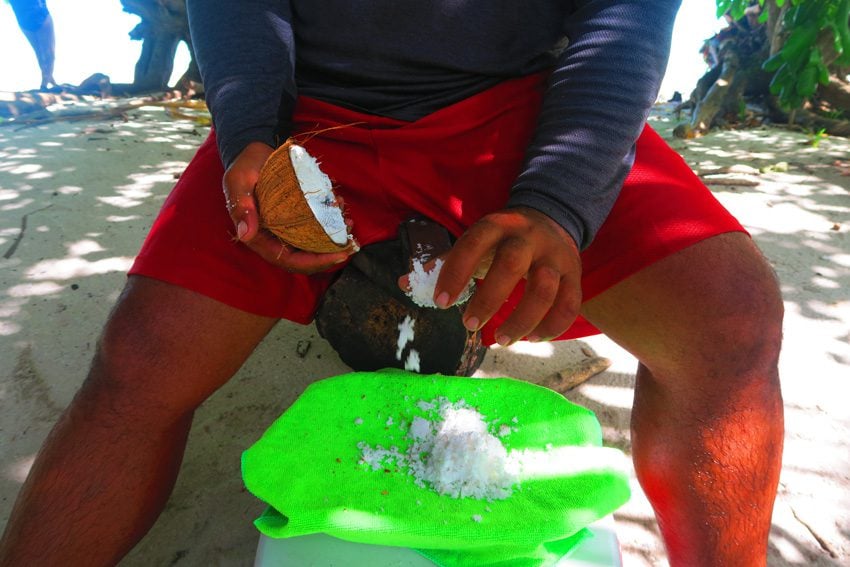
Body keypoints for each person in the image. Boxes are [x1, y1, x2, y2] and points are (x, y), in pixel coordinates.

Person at [0, 1, 785, 565]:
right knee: (141, 354)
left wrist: (559, 202)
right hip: (307, 115)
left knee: (732, 318)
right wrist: (250, 136)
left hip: (524, 105)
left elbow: (625, 16)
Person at [8, 0, 57, 90]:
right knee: (48, 53)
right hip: (38, 15)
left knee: (41, 53)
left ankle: (47, 79)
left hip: (25, 19)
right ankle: (45, 81)